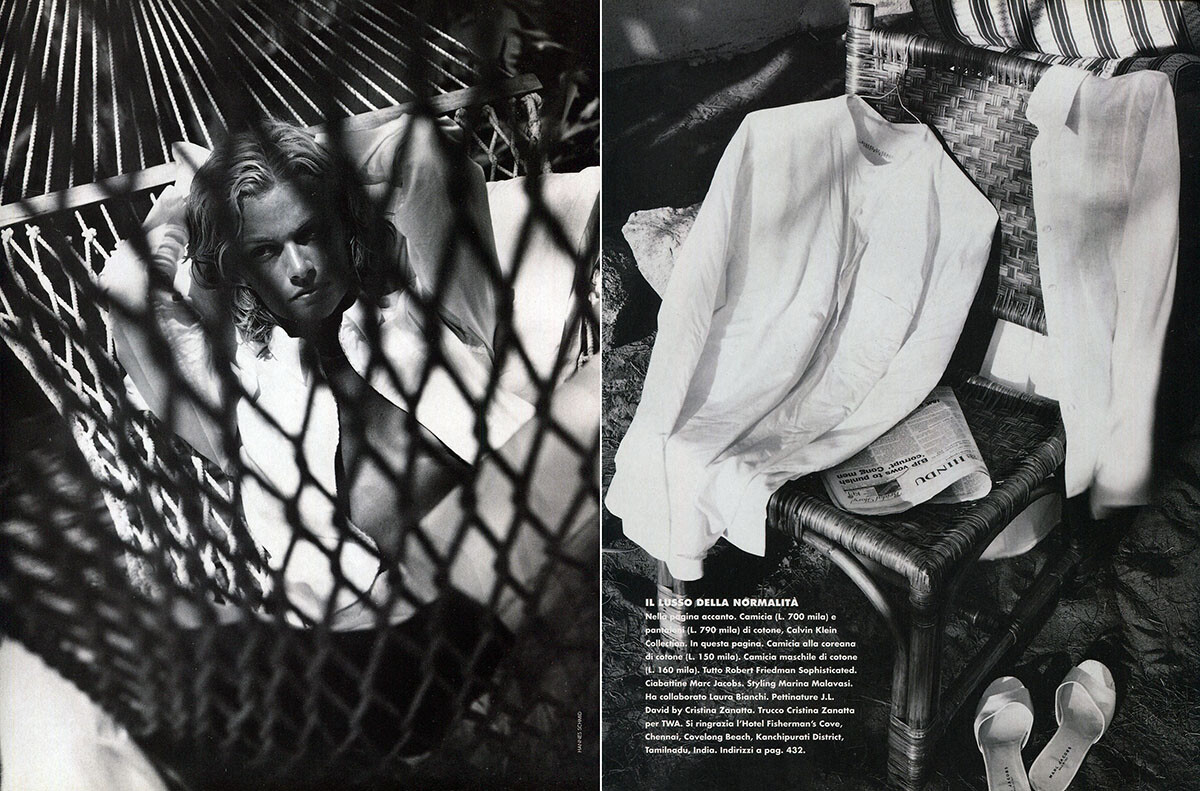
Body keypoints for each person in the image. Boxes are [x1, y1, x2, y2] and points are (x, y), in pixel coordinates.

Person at [97, 114, 599, 783]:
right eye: (267, 251)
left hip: (526, 560)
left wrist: (307, 161)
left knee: (597, 403)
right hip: (386, 647)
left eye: (309, 233)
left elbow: (421, 153)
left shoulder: (429, 309)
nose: (301, 268)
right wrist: (189, 204)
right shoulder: (236, 402)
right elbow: (127, 293)